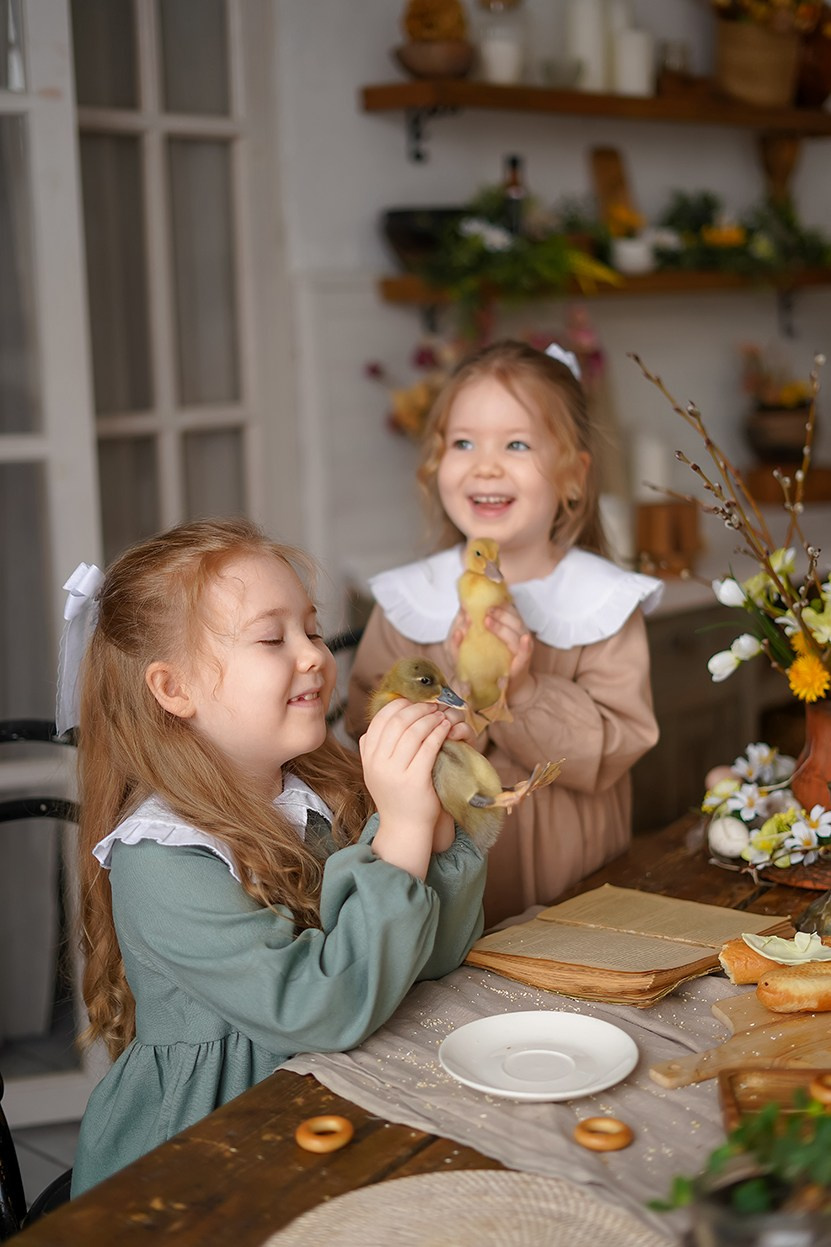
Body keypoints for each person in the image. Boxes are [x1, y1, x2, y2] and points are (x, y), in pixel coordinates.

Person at [66, 517, 486, 1195]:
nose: (314, 654)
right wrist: (400, 828)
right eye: (272, 637)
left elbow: (428, 954)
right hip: (201, 1161)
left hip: (326, 1111)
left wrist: (428, 813)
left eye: (312, 629)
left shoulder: (317, 796)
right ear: (174, 689)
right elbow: (319, 1008)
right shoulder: (163, 858)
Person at [346, 339, 663, 925]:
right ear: (437, 463)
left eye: (517, 444)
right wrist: (457, 681)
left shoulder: (603, 602)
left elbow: (620, 742)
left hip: (582, 888)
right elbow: (370, 727)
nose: (485, 464)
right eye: (464, 442)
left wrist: (522, 690)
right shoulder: (408, 601)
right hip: (444, 888)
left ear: (572, 476)